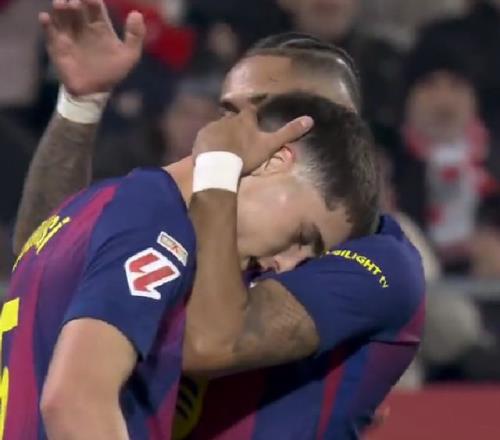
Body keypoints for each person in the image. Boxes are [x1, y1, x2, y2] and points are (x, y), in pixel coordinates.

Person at [11, 1, 425, 439]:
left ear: (332, 129)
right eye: (229, 111)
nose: (240, 131)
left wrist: (215, 180)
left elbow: (211, 341)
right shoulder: (169, 212)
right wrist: (81, 106)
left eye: (270, 112)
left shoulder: (379, 259)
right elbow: (49, 250)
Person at [399, 47, 497, 273]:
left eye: (456, 85)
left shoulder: (494, 163)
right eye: (429, 84)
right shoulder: (384, 163)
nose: (443, 100)